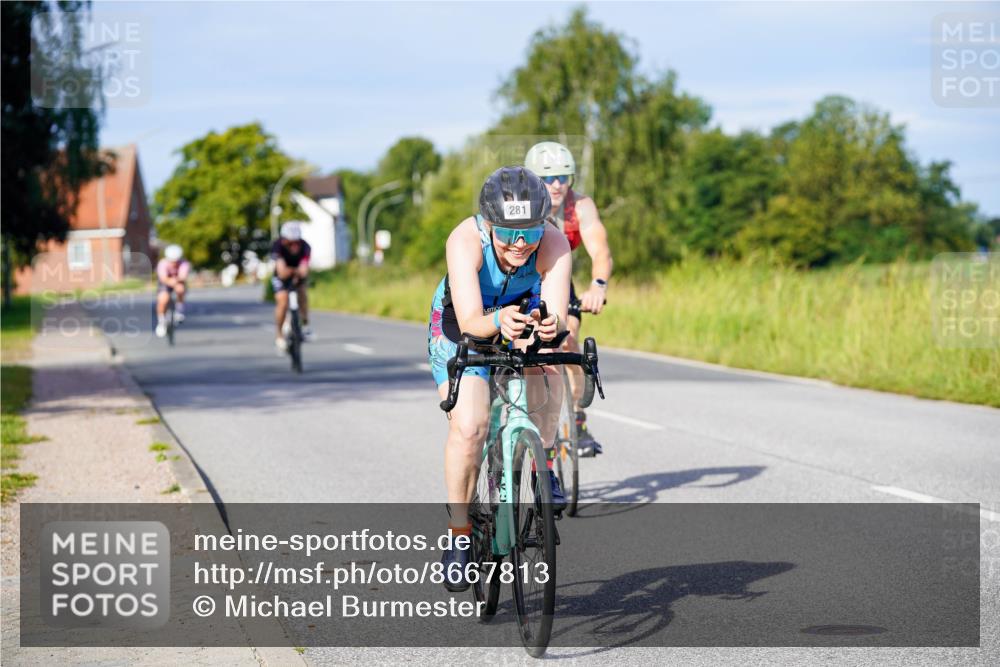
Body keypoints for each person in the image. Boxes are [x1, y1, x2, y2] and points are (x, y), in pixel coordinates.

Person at [427, 166, 571, 592]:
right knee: (470, 427)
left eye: (530, 230)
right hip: (461, 324)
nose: (521, 243)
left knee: (549, 361)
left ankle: (543, 461)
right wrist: (498, 321)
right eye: (509, 233)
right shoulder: (465, 239)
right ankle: (459, 533)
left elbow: (557, 311)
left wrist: (550, 327)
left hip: (520, 314)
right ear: (489, 223)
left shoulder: (555, 243)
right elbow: (472, 320)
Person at [525, 141, 613, 456]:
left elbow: (601, 251)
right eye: (548, 179)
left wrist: (598, 285)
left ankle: (576, 420)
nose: (557, 185)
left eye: (563, 176)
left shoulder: (581, 207)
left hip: (558, 279)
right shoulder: (522, 204)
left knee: (566, 339)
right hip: (523, 281)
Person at [271, 222, 314, 350]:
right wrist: (293, 271)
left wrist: (296, 273)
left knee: (302, 294)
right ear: (284, 240)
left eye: (297, 242)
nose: (294, 246)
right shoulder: (277, 246)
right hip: (281, 276)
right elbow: (281, 272)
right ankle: (279, 335)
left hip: (297, 274)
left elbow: (304, 270)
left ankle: (305, 324)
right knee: (283, 301)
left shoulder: (305, 246)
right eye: (290, 243)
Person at [155, 244, 190, 337]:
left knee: (180, 289)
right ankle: (161, 321)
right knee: (163, 299)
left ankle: (179, 310)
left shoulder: (184, 263)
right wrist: (171, 281)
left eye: (176, 261)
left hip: (178, 281)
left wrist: (176, 282)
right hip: (165, 283)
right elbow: (163, 278)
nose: (174, 263)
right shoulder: (162, 263)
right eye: (172, 261)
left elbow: (183, 276)